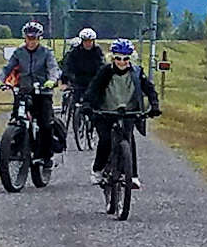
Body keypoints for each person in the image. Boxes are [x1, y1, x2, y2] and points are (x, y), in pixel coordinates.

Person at [83, 39, 162, 189]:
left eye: (126, 59)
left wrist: (154, 106)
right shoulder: (105, 72)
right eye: (118, 58)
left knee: (129, 140)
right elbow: (93, 89)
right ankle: (98, 169)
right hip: (105, 112)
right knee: (105, 140)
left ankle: (132, 175)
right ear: (112, 58)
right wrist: (87, 104)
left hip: (129, 112)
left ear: (131, 59)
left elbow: (150, 90)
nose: (122, 62)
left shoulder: (137, 73)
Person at [0, 20, 61, 169]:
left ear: (39, 38)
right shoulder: (19, 52)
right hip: (23, 91)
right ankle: (16, 148)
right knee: (16, 118)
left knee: (45, 124)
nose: (31, 42)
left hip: (42, 92)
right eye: (29, 38)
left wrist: (51, 80)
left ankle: (46, 156)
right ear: (25, 38)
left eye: (34, 38)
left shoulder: (46, 53)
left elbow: (53, 68)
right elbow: (7, 68)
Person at [62, 28, 104, 100]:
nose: (88, 44)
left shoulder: (97, 51)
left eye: (90, 41)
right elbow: (67, 67)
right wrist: (67, 80)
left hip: (93, 81)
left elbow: (101, 66)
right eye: (85, 41)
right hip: (78, 81)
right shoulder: (75, 52)